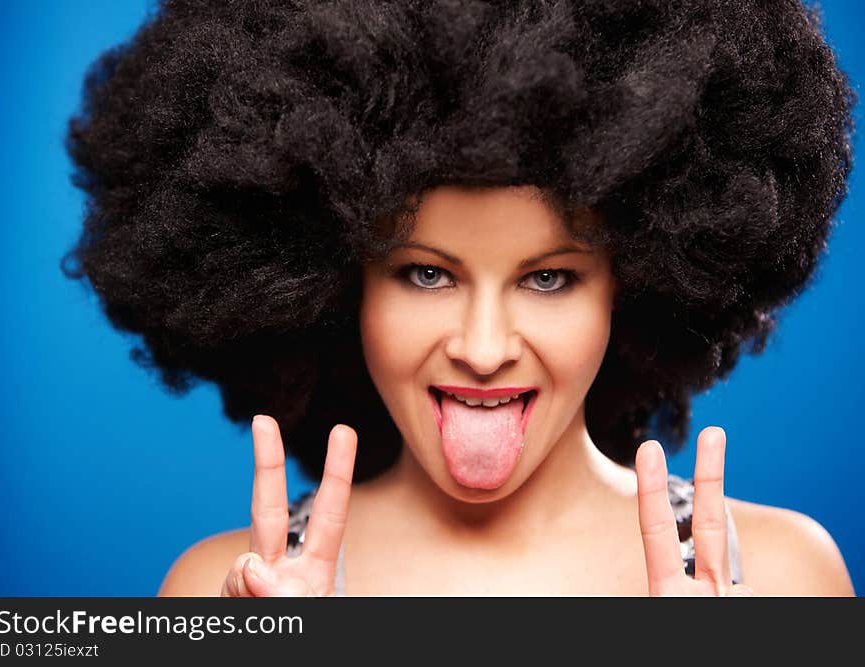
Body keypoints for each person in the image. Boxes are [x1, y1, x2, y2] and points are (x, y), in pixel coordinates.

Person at [63, 0, 856, 596]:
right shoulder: (219, 592)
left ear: (634, 285)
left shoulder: (782, 578)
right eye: (425, 273)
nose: (482, 348)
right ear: (336, 289)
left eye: (549, 277)